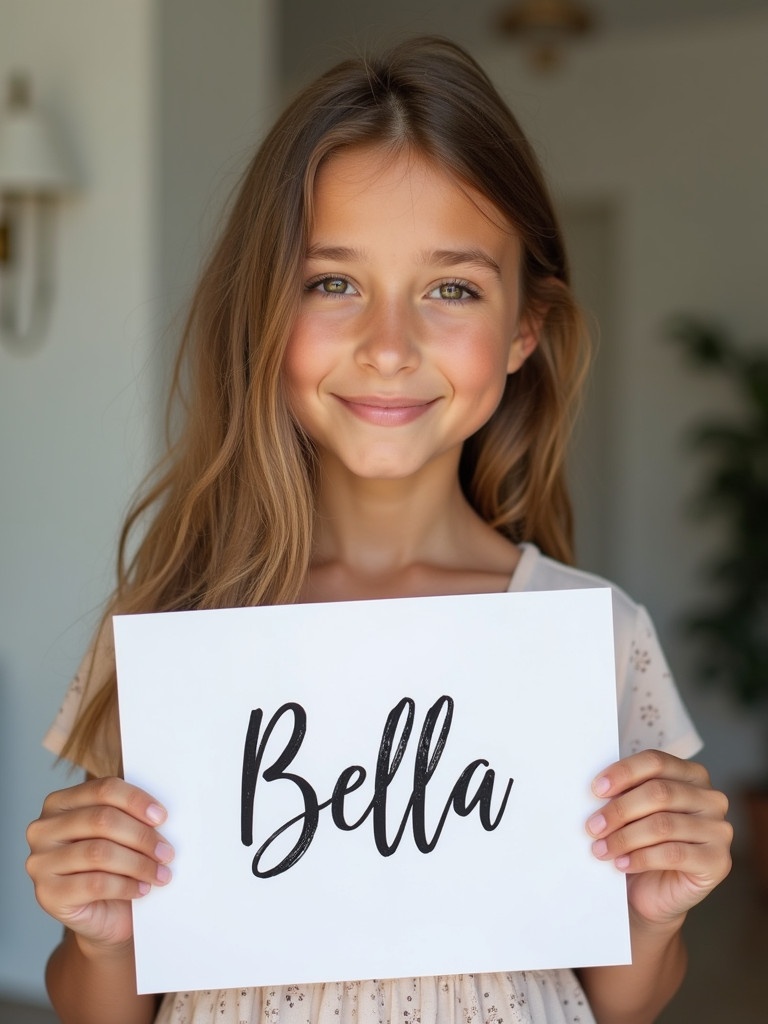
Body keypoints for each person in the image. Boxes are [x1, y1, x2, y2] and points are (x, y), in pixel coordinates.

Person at [26, 35, 732, 1024]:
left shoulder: (592, 636)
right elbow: (100, 1005)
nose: (389, 347)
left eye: (451, 289)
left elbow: (620, 1002)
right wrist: (96, 933)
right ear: (263, 314)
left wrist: (655, 919)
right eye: (333, 283)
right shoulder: (179, 634)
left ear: (526, 327)